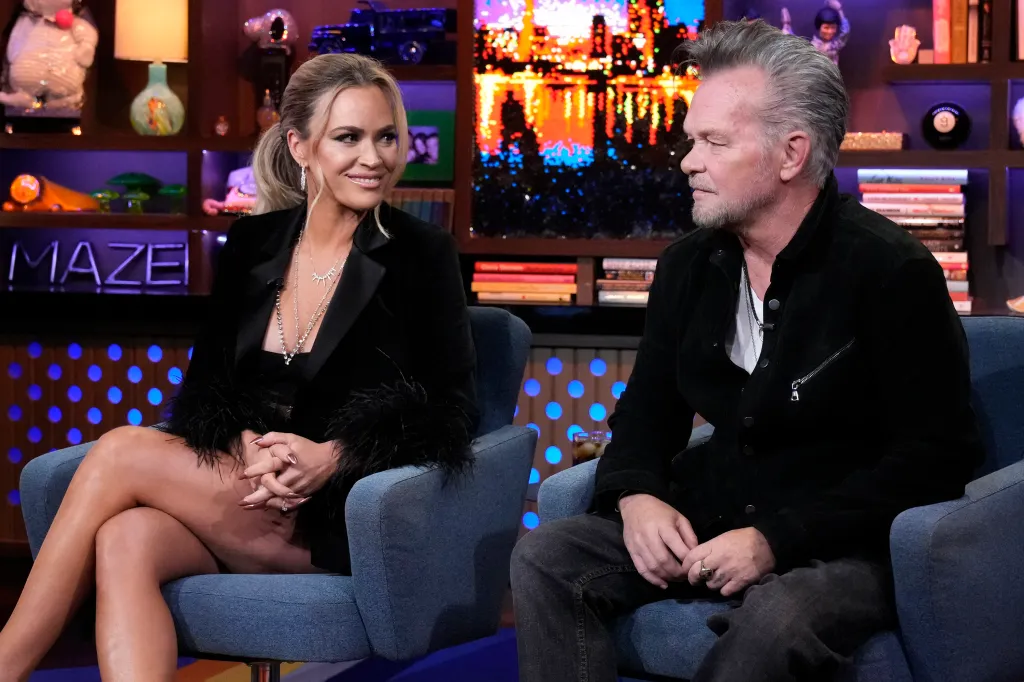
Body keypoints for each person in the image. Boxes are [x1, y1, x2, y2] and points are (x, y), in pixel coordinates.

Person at [510, 19, 981, 682]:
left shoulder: (890, 272)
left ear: (790, 154)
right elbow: (646, 416)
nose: (687, 160)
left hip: (845, 547)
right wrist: (636, 495)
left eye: (712, 142)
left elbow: (938, 458)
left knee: (775, 621)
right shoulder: (687, 266)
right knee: (548, 556)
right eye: (691, 140)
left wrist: (775, 542)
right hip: (718, 515)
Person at [0, 53, 478, 682]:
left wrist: (332, 454)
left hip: (339, 512)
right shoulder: (254, 242)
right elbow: (208, 386)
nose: (374, 157)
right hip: (245, 488)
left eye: (386, 136)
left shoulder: (423, 253)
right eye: (348, 137)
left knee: (120, 452)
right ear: (299, 146)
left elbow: (453, 409)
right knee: (126, 538)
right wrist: (240, 439)